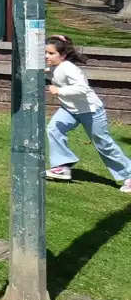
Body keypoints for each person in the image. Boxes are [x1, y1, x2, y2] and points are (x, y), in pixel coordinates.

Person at [44, 36, 131, 191]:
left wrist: (59, 90)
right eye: (46, 53)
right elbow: (48, 72)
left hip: (91, 111)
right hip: (70, 110)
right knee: (53, 129)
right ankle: (63, 166)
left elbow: (83, 88)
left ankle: (129, 176)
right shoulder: (53, 67)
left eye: (51, 53)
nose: (46, 56)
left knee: (103, 144)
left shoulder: (68, 68)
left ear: (62, 56)